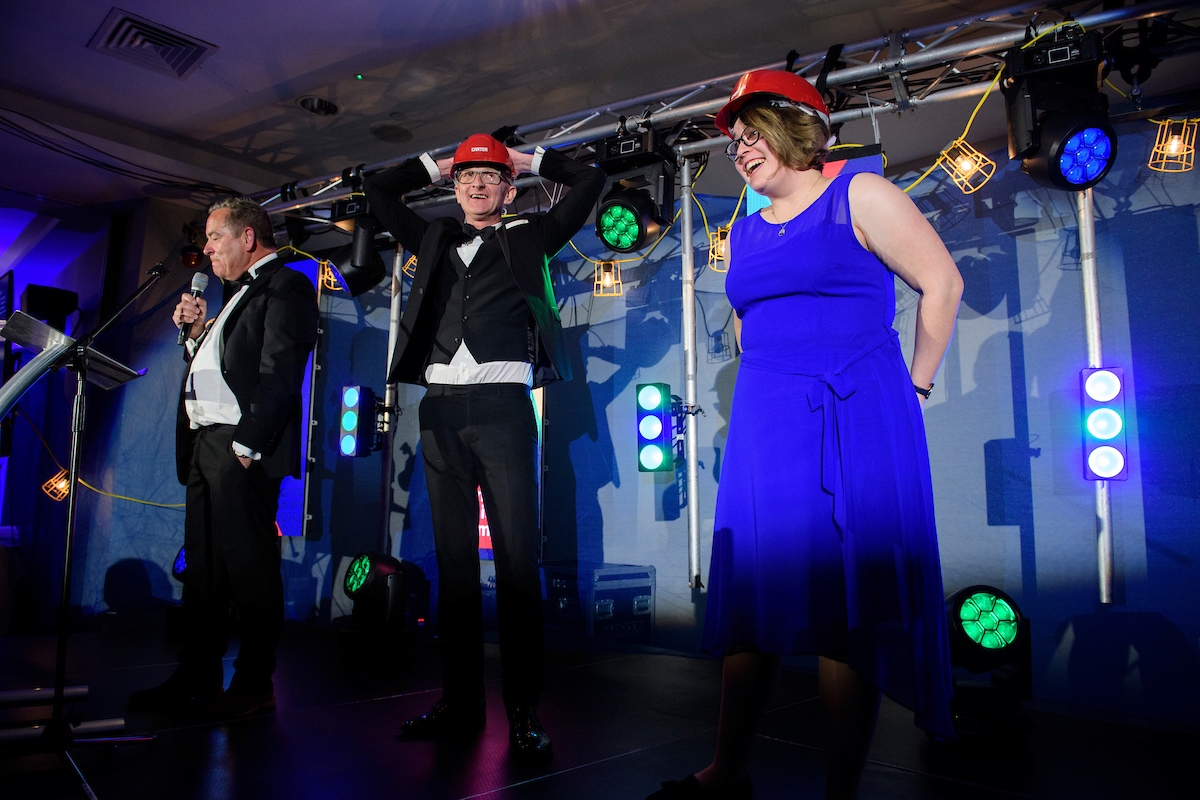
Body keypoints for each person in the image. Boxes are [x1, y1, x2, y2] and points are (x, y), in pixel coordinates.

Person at [649, 71, 964, 799]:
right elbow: (747, 321)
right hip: (769, 425)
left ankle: (839, 791)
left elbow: (940, 283)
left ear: (797, 125)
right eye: (733, 137)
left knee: (841, 603)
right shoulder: (745, 231)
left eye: (752, 130)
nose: (740, 147)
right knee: (753, 596)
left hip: (852, 417)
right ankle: (728, 772)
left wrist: (914, 386)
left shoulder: (861, 193)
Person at [364, 133, 604, 759]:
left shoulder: (527, 238)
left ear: (507, 188)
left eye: (490, 176)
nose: (475, 185)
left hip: (502, 408)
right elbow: (378, 190)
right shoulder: (434, 238)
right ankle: (460, 701)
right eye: (466, 176)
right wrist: (430, 164)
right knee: (455, 571)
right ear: (454, 184)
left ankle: (523, 711)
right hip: (439, 410)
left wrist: (533, 161)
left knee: (519, 566)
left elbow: (588, 185)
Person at [128, 197, 318, 719]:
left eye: (214, 238)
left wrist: (246, 446)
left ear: (248, 238)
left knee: (250, 569)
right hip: (206, 442)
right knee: (204, 571)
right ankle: (197, 672)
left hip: (241, 447)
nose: (206, 249)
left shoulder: (287, 285)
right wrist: (194, 337)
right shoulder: (233, 297)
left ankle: (254, 684)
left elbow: (280, 371)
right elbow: (219, 372)